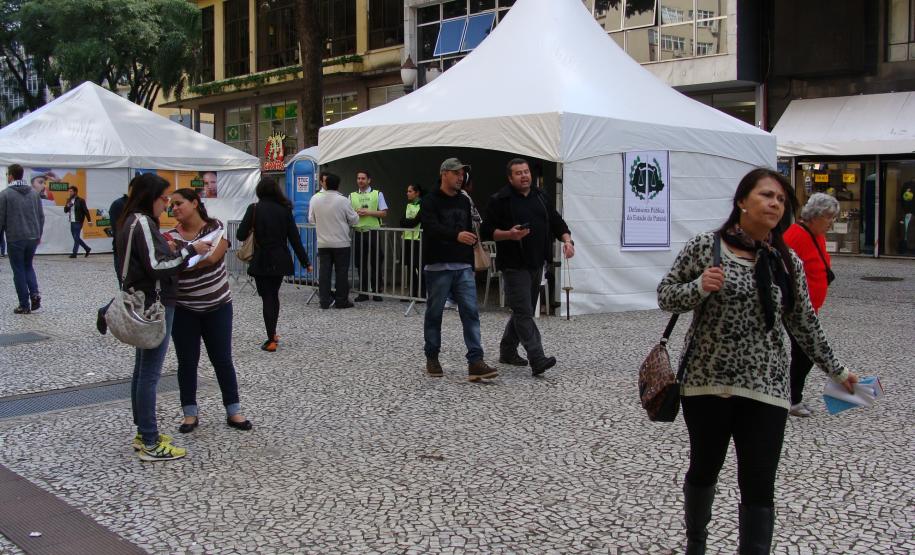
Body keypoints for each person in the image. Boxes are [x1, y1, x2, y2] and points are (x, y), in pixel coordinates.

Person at [657, 168, 858, 554]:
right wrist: (699, 287)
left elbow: (804, 323)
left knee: (760, 483)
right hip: (707, 383)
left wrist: (839, 371)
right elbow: (666, 294)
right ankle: (696, 544)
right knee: (704, 468)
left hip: (766, 387)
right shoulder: (706, 246)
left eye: (781, 200)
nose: (775, 204)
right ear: (741, 202)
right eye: (767, 195)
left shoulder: (787, 261)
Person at [117, 173, 211, 461]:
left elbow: (147, 259)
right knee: (149, 373)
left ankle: (143, 432)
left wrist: (168, 249)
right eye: (164, 198)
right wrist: (189, 250)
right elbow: (157, 266)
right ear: (151, 197)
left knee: (141, 370)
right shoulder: (143, 222)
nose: (167, 204)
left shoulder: (128, 221)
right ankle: (149, 439)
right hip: (154, 302)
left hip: (140, 299)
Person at [167, 188, 251, 434]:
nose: (174, 208)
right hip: (184, 308)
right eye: (172, 205)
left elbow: (214, 257)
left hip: (218, 306)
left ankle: (233, 410)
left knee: (222, 359)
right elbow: (170, 268)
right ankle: (189, 413)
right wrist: (187, 258)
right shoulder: (170, 236)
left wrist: (184, 259)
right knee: (187, 362)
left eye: (179, 203)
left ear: (195, 203)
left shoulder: (215, 227)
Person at [481, 158, 574, 376]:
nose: (524, 176)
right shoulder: (500, 200)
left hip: (537, 263)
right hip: (514, 265)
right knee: (524, 312)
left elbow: (556, 221)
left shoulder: (540, 196)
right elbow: (486, 232)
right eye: (518, 173)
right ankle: (537, 357)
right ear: (510, 178)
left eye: (526, 172)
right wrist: (509, 234)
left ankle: (507, 350)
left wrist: (567, 241)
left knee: (523, 310)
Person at [420, 158, 499, 382]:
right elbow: (431, 227)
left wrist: (471, 263)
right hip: (437, 266)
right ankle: (432, 356)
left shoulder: (464, 201)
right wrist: (456, 236)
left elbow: (469, 230)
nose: (460, 177)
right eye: (456, 173)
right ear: (444, 173)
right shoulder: (429, 200)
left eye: (462, 174)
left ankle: (476, 361)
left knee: (471, 313)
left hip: (463, 265)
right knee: (435, 314)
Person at [236, 176, 312, 352]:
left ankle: (271, 339)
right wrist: (305, 262)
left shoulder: (254, 208)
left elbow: (240, 235)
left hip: (261, 258)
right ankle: (273, 333)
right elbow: (294, 238)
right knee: (273, 295)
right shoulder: (284, 210)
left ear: (259, 191)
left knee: (267, 297)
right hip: (280, 258)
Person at [783, 193, 840, 418]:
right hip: (795, 310)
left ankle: (791, 397)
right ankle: (792, 400)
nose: (831, 222)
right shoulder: (795, 235)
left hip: (809, 309)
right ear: (815, 216)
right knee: (805, 353)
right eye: (829, 217)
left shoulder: (817, 234)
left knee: (804, 353)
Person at [309, 172, 359, 309]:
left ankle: (324, 300)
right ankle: (341, 301)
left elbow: (311, 219)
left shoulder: (315, 199)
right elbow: (354, 219)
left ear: (324, 183)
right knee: (341, 272)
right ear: (338, 185)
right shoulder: (343, 200)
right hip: (341, 242)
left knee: (324, 272)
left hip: (323, 242)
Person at [0, 164, 44, 314]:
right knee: (28, 266)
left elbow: (1, 219)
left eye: (7, 174)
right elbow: (41, 216)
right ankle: (35, 294)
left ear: (11, 176)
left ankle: (24, 305)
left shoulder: (5, 195)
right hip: (33, 236)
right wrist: (39, 234)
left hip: (16, 237)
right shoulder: (34, 193)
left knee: (18, 269)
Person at [349, 170, 387, 301]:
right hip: (358, 232)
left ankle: (377, 292)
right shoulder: (352, 195)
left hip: (373, 232)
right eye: (358, 178)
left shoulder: (377, 194)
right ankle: (363, 292)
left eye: (363, 178)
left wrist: (368, 212)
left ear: (369, 180)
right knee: (361, 263)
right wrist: (356, 213)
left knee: (376, 262)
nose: (360, 181)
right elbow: (348, 214)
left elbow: (384, 213)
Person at [398, 184, 425, 299]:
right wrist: (409, 222)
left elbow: (415, 222)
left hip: (418, 239)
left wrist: (408, 222)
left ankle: (421, 294)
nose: (407, 193)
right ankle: (412, 293)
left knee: (419, 267)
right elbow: (401, 221)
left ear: (417, 193)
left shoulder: (423, 205)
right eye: (407, 191)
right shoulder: (408, 205)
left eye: (410, 191)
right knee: (410, 266)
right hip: (407, 239)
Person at [64, 186, 92, 257]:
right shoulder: (69, 200)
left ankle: (74, 253)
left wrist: (89, 221)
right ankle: (87, 248)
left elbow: (86, 211)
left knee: (76, 237)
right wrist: (68, 206)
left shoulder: (81, 200)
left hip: (78, 221)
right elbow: (65, 211)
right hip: (72, 221)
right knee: (76, 238)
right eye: (69, 191)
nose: (70, 193)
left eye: (71, 191)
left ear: (75, 192)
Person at [109, 188, 130, 284]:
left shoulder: (145, 205)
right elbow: (117, 229)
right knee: (125, 284)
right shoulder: (119, 205)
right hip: (123, 249)